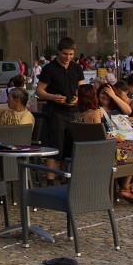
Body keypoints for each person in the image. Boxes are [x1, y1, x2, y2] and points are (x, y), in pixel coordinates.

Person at [76, 85, 133, 207]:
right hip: (108, 156)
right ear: (94, 96)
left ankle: (126, 188)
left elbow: (96, 135)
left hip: (91, 156)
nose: (104, 96)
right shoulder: (96, 113)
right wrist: (115, 137)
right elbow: (100, 138)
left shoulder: (80, 116)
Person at [35, 38, 82, 169]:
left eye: (71, 54)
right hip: (56, 113)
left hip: (73, 112)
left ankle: (65, 178)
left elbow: (81, 88)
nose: (68, 57)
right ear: (58, 52)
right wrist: (52, 97)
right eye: (65, 54)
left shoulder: (77, 68)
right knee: (54, 147)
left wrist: (77, 98)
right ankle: (51, 180)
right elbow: (39, 91)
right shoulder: (49, 68)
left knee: (69, 147)